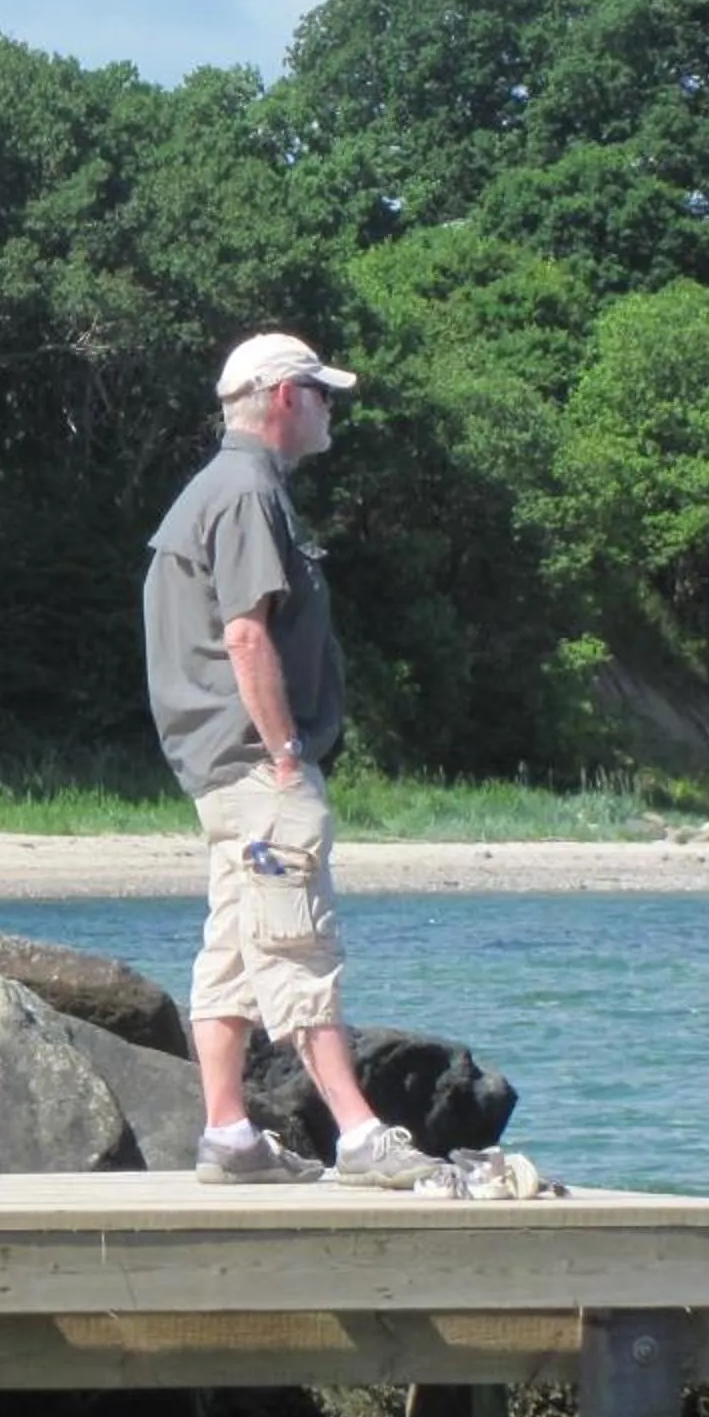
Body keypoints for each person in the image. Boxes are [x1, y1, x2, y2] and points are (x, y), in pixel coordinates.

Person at [143, 332, 441, 1188]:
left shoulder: (224, 488)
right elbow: (245, 633)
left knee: (236, 951)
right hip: (254, 768)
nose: (327, 406)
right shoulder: (244, 492)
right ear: (281, 397)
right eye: (318, 391)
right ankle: (359, 1135)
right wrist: (283, 754)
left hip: (225, 770)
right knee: (297, 940)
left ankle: (229, 1135)